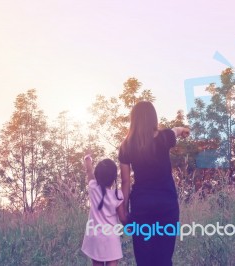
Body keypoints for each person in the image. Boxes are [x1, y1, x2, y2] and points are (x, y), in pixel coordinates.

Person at [118, 101, 189, 266]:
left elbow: (125, 181)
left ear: (133, 120)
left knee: (144, 260)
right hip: (167, 204)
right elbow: (176, 131)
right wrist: (183, 129)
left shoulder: (126, 145)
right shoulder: (164, 137)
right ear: (153, 118)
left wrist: (126, 212)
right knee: (164, 259)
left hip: (141, 206)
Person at [81, 154, 127, 266]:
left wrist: (88, 159)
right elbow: (122, 218)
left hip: (95, 236)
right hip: (111, 238)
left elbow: (89, 172)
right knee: (112, 262)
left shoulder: (93, 188)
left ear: (98, 176)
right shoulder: (117, 196)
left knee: (97, 262)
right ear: (113, 179)